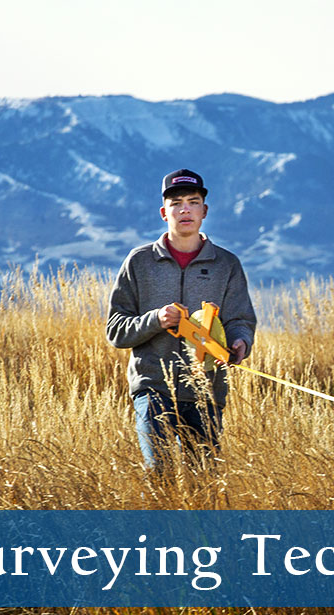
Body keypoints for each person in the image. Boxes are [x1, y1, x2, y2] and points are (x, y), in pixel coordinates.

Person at [106, 168, 257, 475]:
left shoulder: (227, 265)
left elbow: (240, 320)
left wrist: (241, 342)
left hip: (207, 391)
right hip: (154, 388)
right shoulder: (139, 262)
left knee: (205, 481)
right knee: (158, 474)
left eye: (193, 201)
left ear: (204, 211)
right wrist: (155, 320)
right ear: (164, 212)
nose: (185, 208)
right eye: (176, 203)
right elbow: (116, 331)